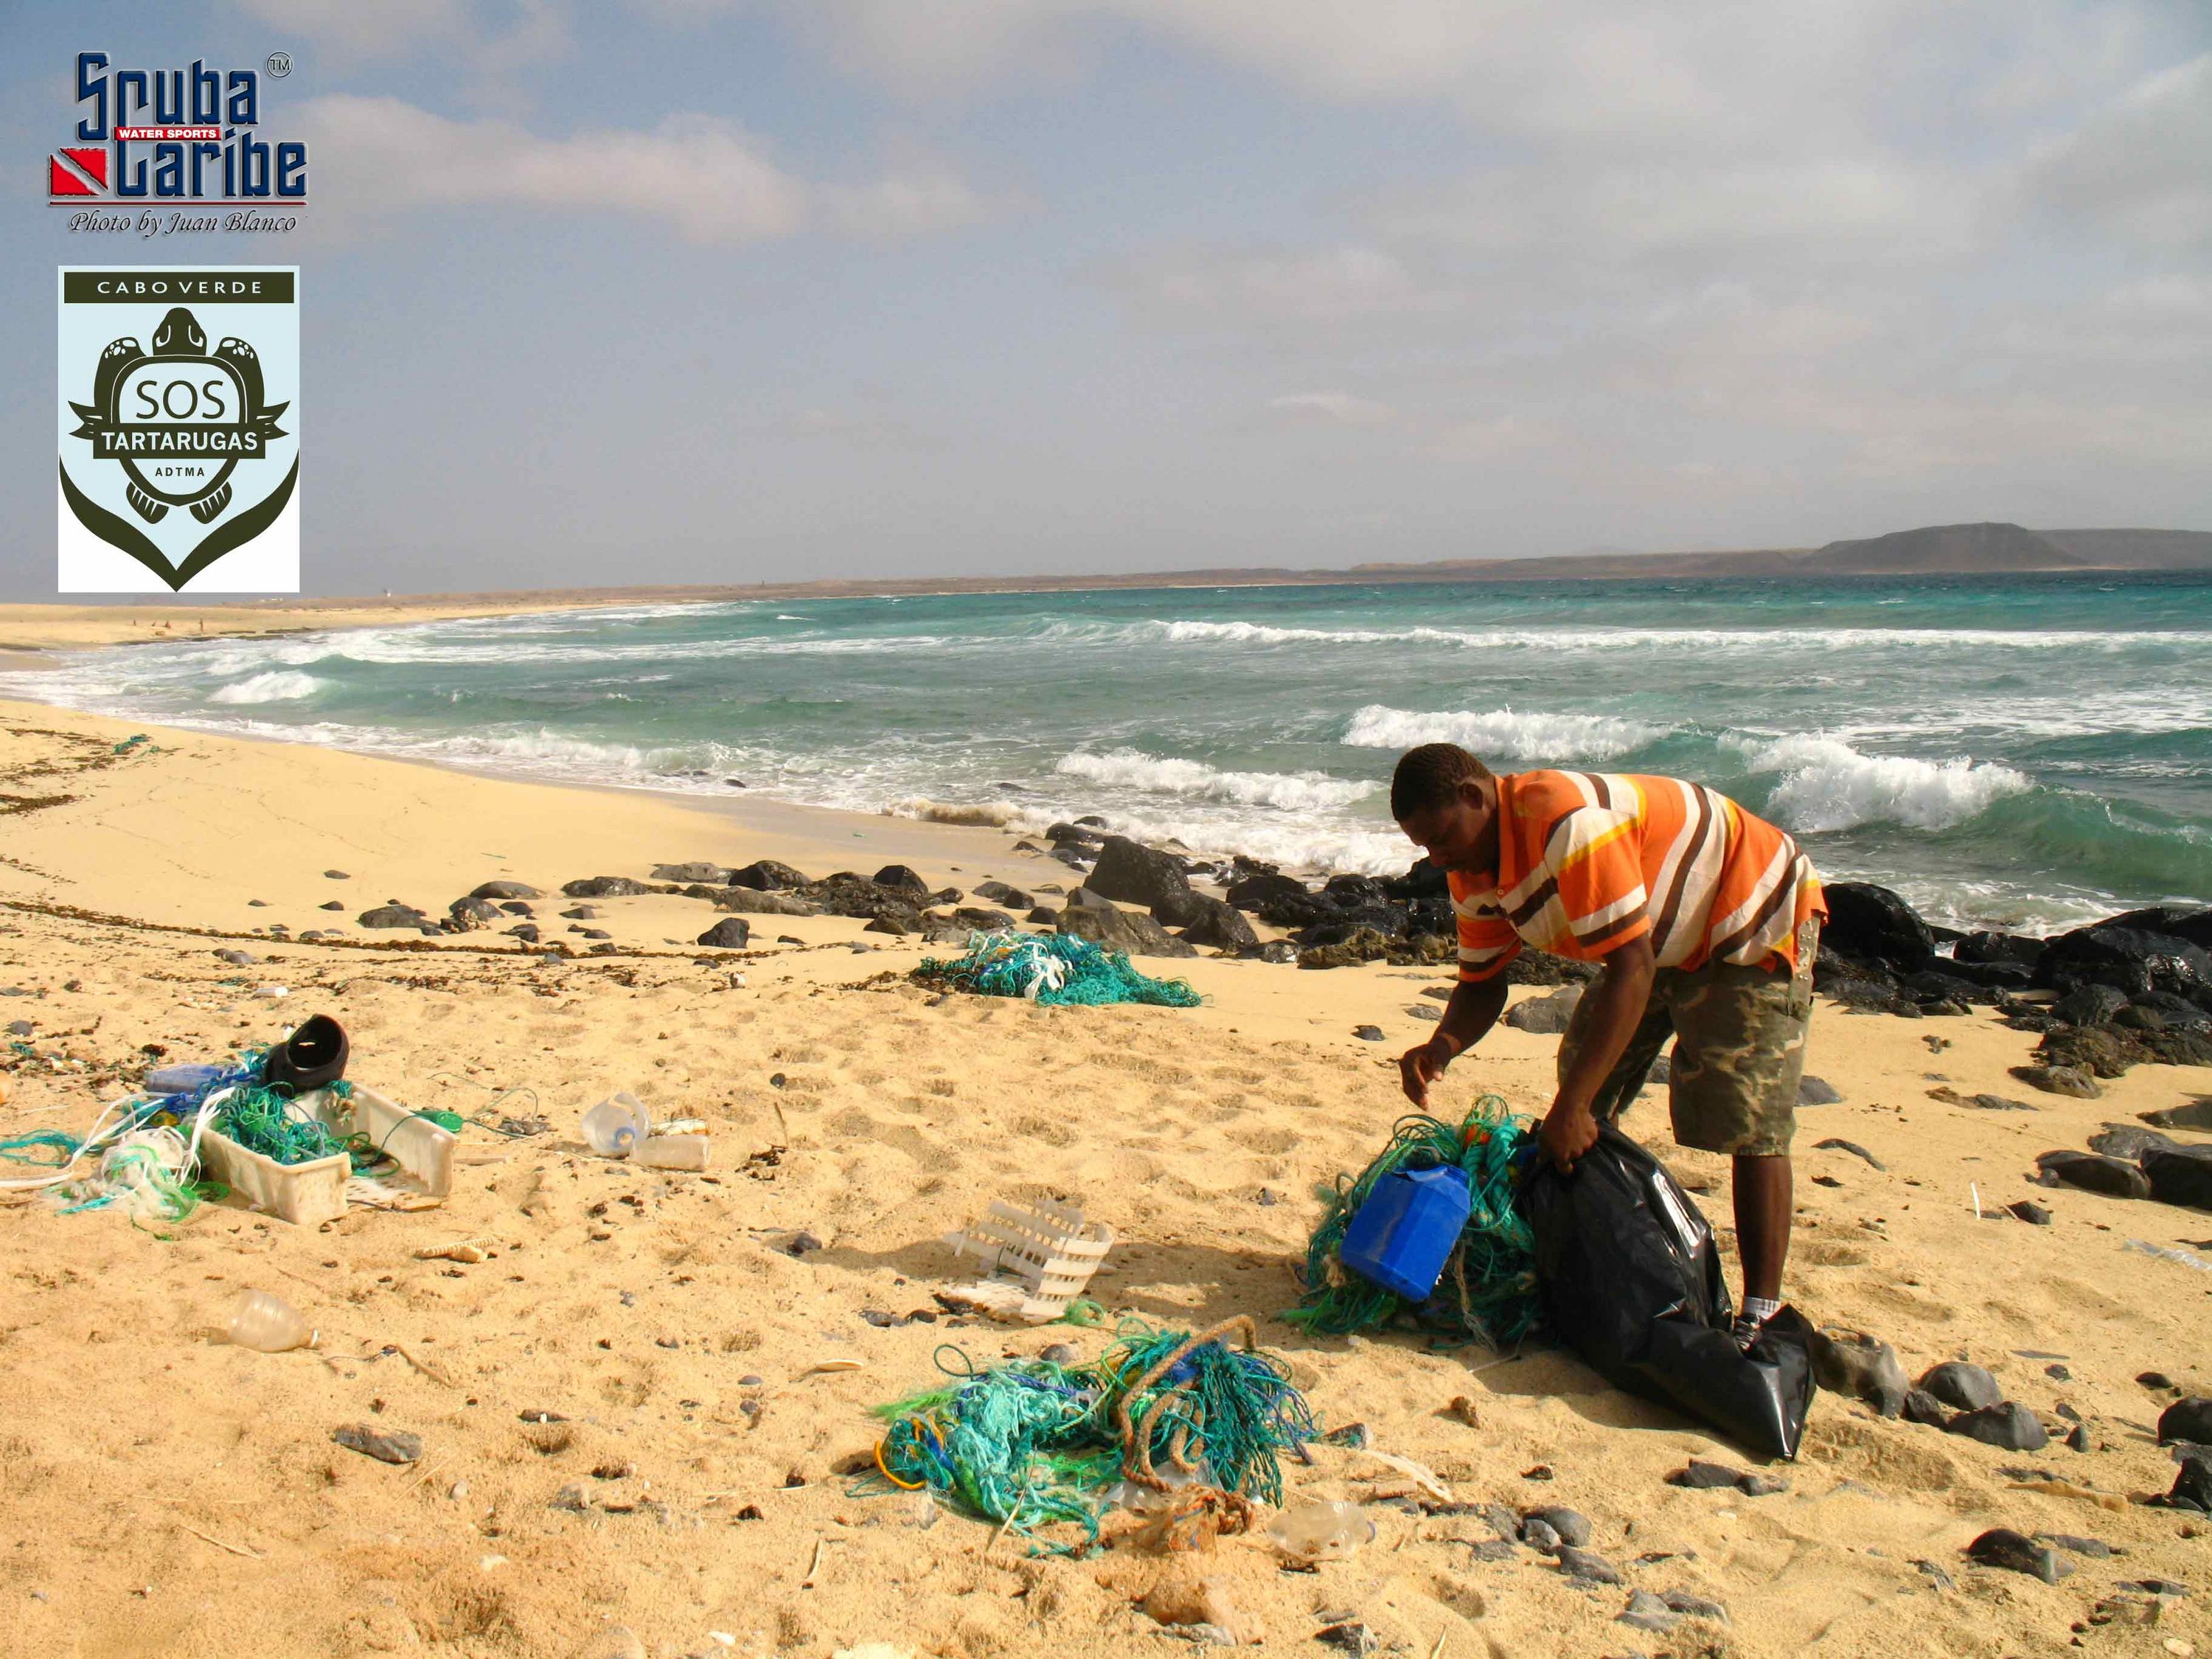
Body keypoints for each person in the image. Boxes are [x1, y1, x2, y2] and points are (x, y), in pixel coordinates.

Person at [1390, 742, 1824, 1348]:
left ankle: (1762, 1311)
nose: (1438, 858)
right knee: (1582, 1077)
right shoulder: (1471, 871)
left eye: (1441, 837)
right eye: (1424, 848)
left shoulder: (1567, 824)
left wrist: (1572, 1108)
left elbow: (1632, 968)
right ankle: (1605, 1259)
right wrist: (1441, 1046)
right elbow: (1482, 983)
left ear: (1474, 797)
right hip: (1660, 937)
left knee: (1744, 1114)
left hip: (1749, 911)